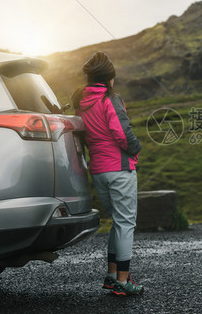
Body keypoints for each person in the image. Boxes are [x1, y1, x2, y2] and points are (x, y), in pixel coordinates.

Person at [73, 51, 143, 296]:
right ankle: (123, 282)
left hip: (98, 170)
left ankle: (112, 276)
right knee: (126, 223)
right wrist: (136, 150)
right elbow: (122, 133)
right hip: (119, 169)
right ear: (108, 78)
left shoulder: (81, 100)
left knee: (117, 222)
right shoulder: (110, 99)